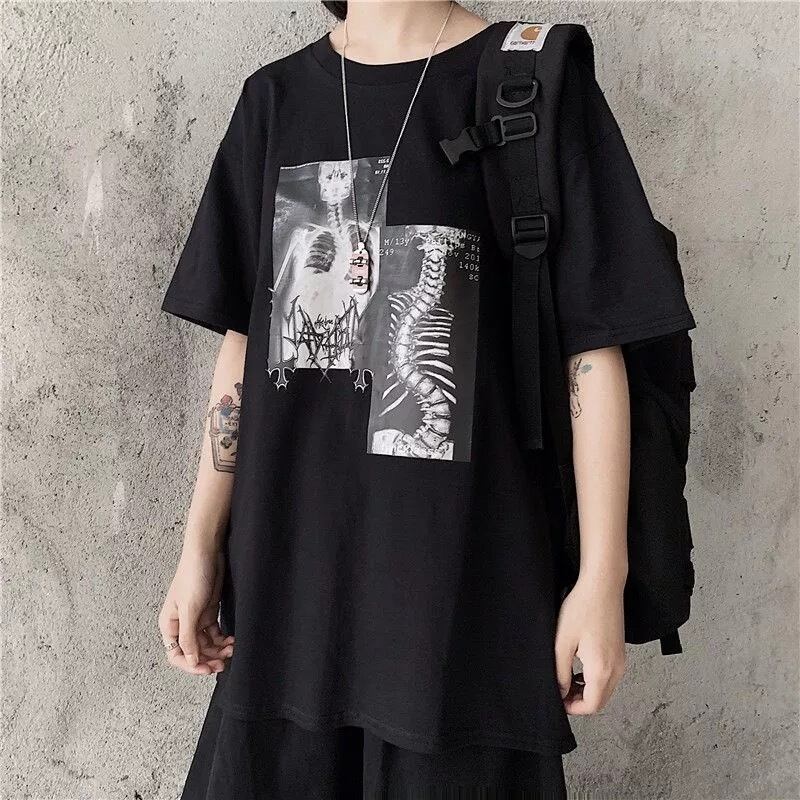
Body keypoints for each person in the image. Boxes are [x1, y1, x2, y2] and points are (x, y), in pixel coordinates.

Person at [158, 2, 696, 797]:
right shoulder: (274, 100)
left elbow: (592, 348)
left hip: (463, 609)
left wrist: (600, 580)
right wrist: (199, 547)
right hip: (287, 600)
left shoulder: (531, 80)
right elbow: (244, 346)